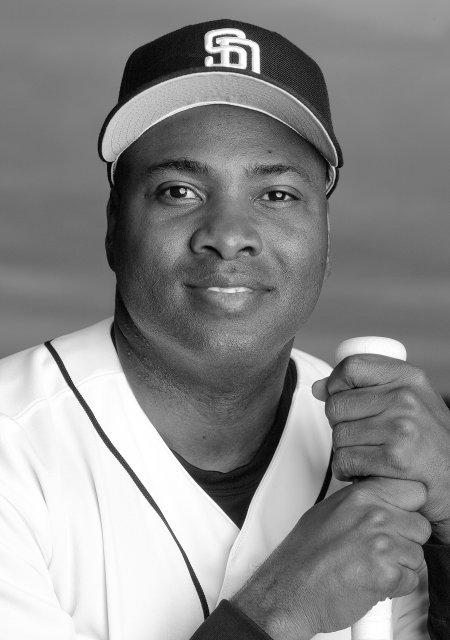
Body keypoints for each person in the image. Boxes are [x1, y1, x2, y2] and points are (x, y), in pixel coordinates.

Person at [1, 19, 449, 640]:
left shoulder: (403, 449)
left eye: (278, 195)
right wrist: (277, 611)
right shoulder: (12, 444)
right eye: (178, 190)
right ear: (112, 226)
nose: (228, 232)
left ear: (325, 236)